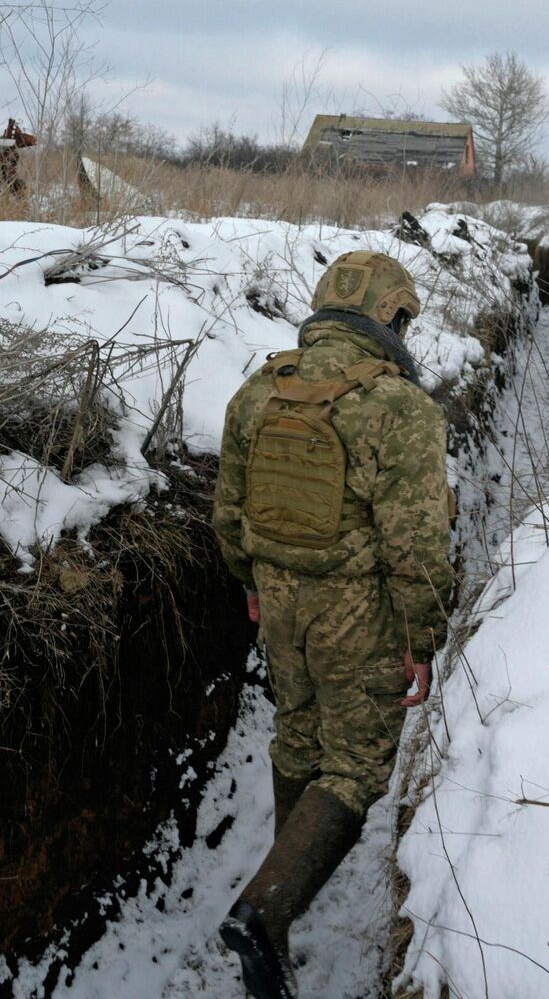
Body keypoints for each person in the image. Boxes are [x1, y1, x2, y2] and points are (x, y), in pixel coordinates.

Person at [211, 250, 455, 998]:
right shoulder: (400, 409)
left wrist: (252, 583)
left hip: (280, 603)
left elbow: (228, 511)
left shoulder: (259, 391)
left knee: (300, 735)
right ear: (392, 317)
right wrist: (424, 638)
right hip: (360, 615)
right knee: (355, 766)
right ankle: (266, 912)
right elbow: (414, 544)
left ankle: (283, 895)